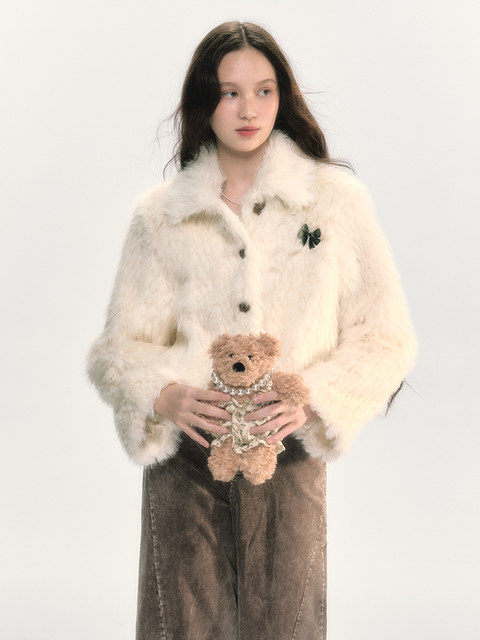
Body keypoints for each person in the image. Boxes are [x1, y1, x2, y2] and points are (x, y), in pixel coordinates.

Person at [87, 20, 417, 640]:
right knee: (179, 628)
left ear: (282, 97)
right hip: (187, 461)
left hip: (287, 458)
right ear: (204, 101)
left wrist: (312, 399)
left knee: (288, 628)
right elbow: (117, 349)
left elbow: (386, 339)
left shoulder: (334, 204)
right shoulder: (161, 217)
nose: (248, 109)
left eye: (264, 91)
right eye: (229, 92)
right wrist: (162, 393)